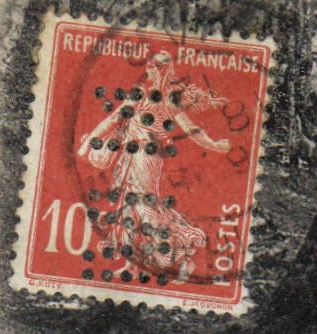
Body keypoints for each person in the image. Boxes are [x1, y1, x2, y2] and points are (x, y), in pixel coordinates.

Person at [76, 51, 230, 282]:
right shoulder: (140, 93)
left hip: (146, 158)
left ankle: (180, 253)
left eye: (155, 65)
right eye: (149, 63)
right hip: (129, 156)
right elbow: (115, 118)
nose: (149, 67)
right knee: (127, 208)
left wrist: (215, 145)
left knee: (144, 208)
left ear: (164, 69)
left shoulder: (169, 100)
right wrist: (89, 142)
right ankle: (133, 265)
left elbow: (191, 130)